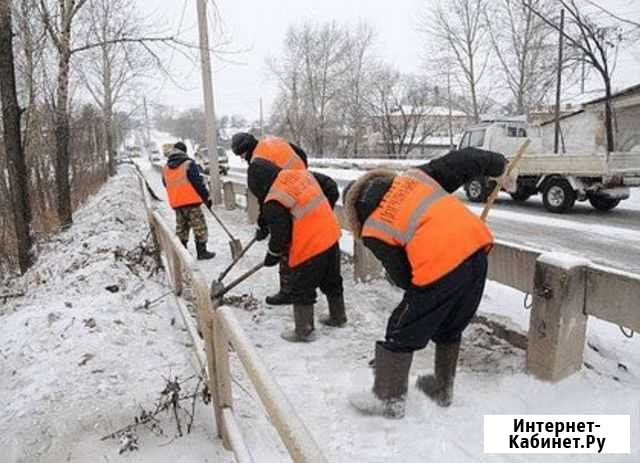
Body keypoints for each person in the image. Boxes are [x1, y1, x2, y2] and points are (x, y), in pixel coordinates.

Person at [343, 147, 506, 418]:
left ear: (354, 211)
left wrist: (420, 303)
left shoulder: (373, 227)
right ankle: (442, 389)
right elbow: (460, 160)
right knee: (451, 324)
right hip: (477, 252)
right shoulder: (416, 178)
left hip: (439, 267)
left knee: (401, 328)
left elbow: (404, 275)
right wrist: (495, 163)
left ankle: (388, 399)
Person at [247, 157, 346, 342]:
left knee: (302, 286)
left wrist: (272, 255)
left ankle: (304, 330)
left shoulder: (274, 199)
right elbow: (328, 186)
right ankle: (338, 316)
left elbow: (280, 235)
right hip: (330, 233)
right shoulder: (298, 174)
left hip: (310, 244)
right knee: (331, 279)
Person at [231, 132, 308, 306]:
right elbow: (301, 154)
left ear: (245, 151)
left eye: (241, 155)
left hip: (288, 197)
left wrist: (264, 225)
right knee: (293, 239)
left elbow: (266, 199)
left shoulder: (257, 164)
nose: (243, 159)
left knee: (285, 242)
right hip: (305, 186)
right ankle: (296, 286)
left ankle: (289, 291)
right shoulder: (273, 142)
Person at [162, 141, 215, 260]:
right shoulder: (188, 164)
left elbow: (166, 184)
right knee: (199, 227)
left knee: (182, 228)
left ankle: (182, 253)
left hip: (177, 203)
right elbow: (198, 183)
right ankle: (202, 252)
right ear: (184, 151)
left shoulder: (166, 168)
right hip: (191, 203)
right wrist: (206, 198)